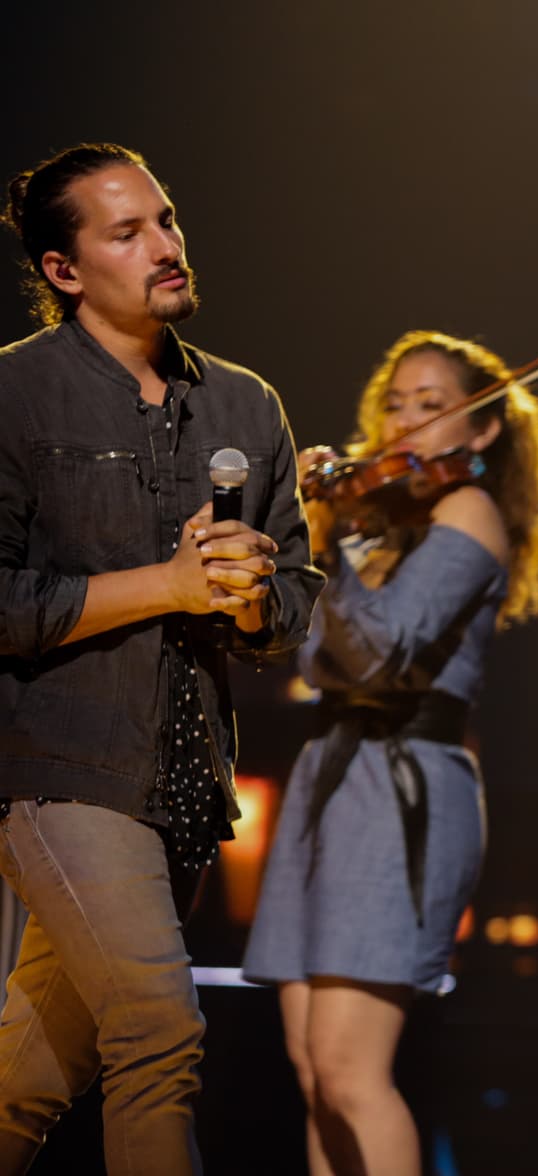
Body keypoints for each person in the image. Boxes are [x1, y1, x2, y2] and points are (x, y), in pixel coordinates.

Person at [0, 143, 321, 1173]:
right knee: (159, 1032)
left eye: (168, 220)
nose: (166, 247)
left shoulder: (245, 404)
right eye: (127, 231)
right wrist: (170, 586)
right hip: (61, 765)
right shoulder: (18, 394)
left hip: (184, 780)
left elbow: (297, 607)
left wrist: (254, 594)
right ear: (62, 270)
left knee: (27, 1079)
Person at [242, 329, 538, 1175]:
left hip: (404, 782)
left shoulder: (467, 512)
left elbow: (382, 647)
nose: (406, 424)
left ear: (483, 429)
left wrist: (330, 541)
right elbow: (315, 659)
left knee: (353, 1071)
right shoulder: (380, 523)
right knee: (314, 1072)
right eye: (395, 405)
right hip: (330, 774)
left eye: (432, 406)